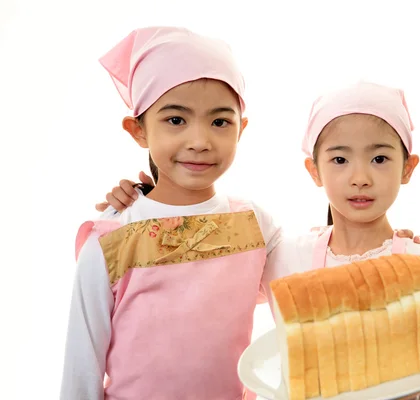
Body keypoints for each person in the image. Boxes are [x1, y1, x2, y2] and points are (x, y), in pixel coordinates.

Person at [98, 81, 420, 399]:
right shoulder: (286, 256)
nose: (360, 177)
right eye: (340, 159)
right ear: (314, 170)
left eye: (379, 158)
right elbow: (204, 280)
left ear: (407, 168)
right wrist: (146, 205)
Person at [60, 26, 282, 400]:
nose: (199, 141)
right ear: (138, 130)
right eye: (176, 120)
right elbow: (81, 370)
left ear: (241, 129)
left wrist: (388, 245)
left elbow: (314, 289)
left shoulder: (255, 225)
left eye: (219, 121)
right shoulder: (112, 241)